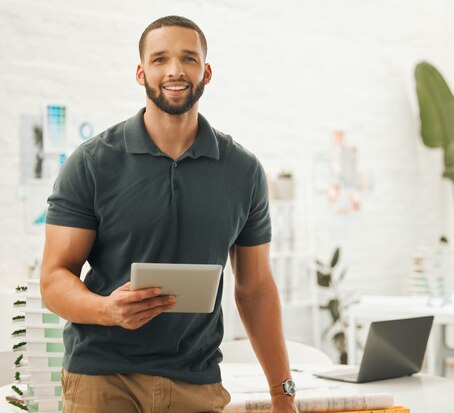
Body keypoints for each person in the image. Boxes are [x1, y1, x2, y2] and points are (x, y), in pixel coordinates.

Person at [40, 15, 298, 413]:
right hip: (103, 377)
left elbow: (256, 289)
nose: (175, 70)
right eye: (160, 59)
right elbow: (54, 279)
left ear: (206, 72)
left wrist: (283, 394)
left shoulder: (242, 171)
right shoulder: (92, 162)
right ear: (141, 72)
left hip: (196, 380)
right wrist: (106, 310)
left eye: (189, 59)